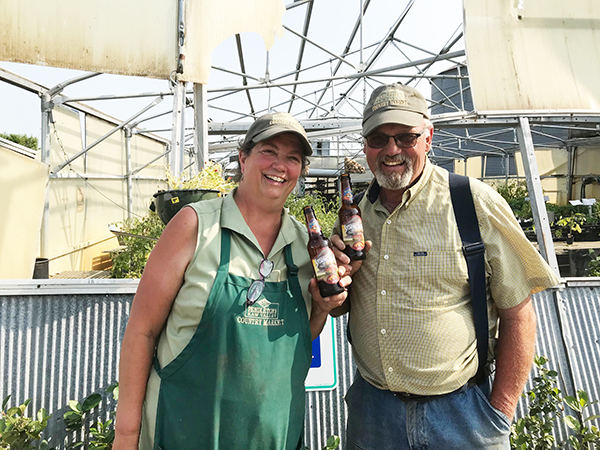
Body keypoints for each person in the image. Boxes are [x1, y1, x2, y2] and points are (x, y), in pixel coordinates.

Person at [330, 83, 560, 450]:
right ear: (365, 145)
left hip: (461, 414)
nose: (392, 150)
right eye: (379, 138)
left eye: (405, 137)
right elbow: (340, 307)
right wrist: (338, 282)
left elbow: (519, 312)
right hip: (373, 412)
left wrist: (499, 411)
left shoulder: (473, 202)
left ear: (428, 137)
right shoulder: (354, 216)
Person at [113, 112, 350, 450]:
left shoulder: (304, 245)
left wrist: (323, 309)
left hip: (273, 434)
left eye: (293, 158)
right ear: (243, 157)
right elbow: (141, 330)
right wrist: (126, 435)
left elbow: (293, 337)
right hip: (186, 432)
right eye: (269, 151)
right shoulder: (195, 226)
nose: (280, 165)